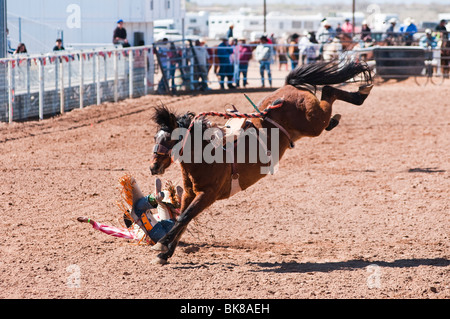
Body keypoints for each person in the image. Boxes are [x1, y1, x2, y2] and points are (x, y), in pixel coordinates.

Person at [78, 176, 183, 246]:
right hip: (171, 231)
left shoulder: (132, 232)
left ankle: (160, 199)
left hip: (162, 237)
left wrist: (91, 222)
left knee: (141, 209)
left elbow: (113, 231)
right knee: (158, 206)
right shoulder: (150, 221)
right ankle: (170, 202)